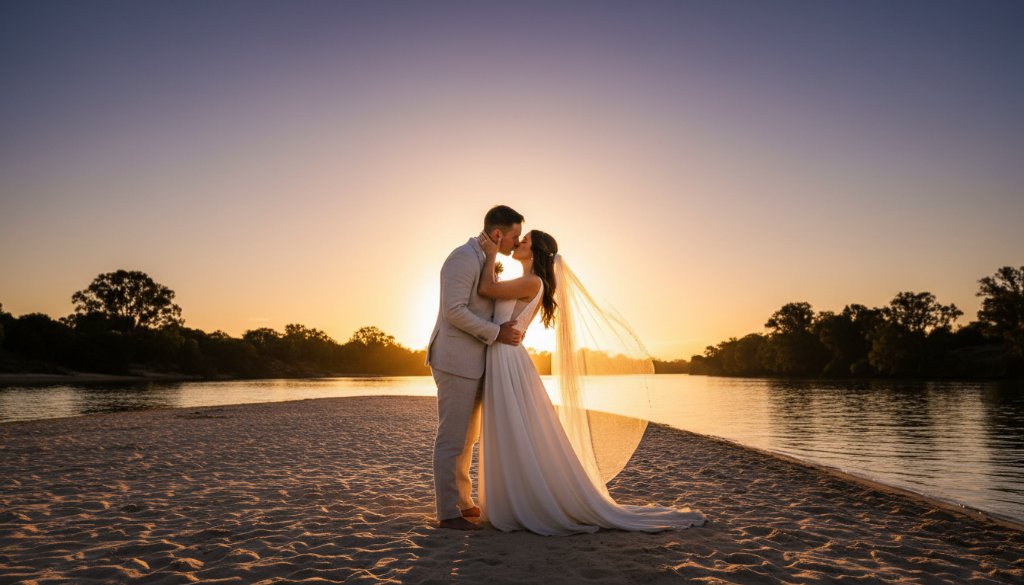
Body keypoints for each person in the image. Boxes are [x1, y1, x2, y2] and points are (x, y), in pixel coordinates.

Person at [475, 229, 707, 535]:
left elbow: (486, 288)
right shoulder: (528, 281)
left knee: (514, 427)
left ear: (537, 252)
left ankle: (524, 500)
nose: (518, 243)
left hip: (507, 357)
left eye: (525, 240)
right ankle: (514, 496)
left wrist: (491, 250)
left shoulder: (533, 282)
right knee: (512, 428)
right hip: (505, 354)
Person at [425, 205, 526, 531]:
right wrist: (497, 333)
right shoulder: (463, 258)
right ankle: (447, 513)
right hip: (455, 359)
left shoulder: (484, 259)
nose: (516, 241)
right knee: (452, 438)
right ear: (498, 234)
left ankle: (464, 502)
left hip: (475, 362)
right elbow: (453, 311)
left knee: (468, 439)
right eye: (514, 236)